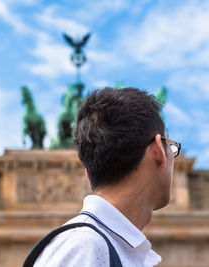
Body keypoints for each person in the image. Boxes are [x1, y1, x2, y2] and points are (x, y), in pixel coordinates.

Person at [33, 87, 181, 266]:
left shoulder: (100, 246)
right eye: (171, 148)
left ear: (88, 174)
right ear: (158, 150)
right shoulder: (86, 248)